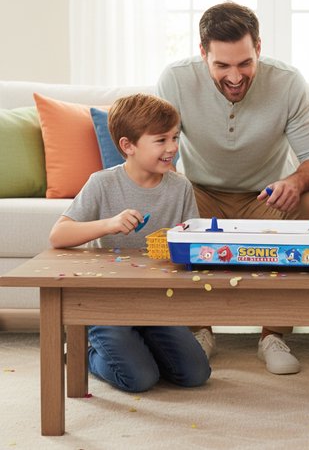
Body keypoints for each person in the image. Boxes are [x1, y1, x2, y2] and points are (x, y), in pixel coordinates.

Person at [157, 1, 309, 375]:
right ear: (203, 53)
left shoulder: (287, 82)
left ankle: (273, 334)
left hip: (267, 197)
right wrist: (170, 182)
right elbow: (158, 151)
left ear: (259, 48)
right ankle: (199, 330)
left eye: (245, 63)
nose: (235, 77)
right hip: (200, 195)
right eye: (222, 65)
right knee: (168, 199)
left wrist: (294, 181)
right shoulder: (175, 79)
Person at [49, 93, 211, 393]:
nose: (172, 147)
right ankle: (84, 353)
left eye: (175, 137)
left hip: (156, 302)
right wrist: (109, 224)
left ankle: (138, 347)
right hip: (107, 302)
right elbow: (58, 235)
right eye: (161, 140)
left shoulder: (180, 187)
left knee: (195, 374)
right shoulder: (102, 183)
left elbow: (193, 241)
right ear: (128, 146)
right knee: (139, 379)